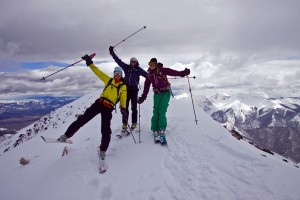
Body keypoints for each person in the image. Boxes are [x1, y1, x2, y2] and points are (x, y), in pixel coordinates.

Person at [57, 54, 127, 160]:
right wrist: (90, 62)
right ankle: (66, 136)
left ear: (121, 75)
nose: (117, 75)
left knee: (106, 131)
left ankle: (103, 151)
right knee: (82, 119)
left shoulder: (123, 86)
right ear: (114, 74)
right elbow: (98, 72)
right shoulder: (108, 80)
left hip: (108, 108)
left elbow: (123, 98)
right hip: (99, 103)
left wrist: (124, 108)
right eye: (116, 73)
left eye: (119, 74)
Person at [137, 58, 190, 139]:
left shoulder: (162, 70)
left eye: (153, 64)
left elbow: (173, 72)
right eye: (150, 64)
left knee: (162, 111)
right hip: (157, 94)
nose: (151, 66)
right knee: (156, 111)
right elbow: (146, 87)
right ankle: (154, 128)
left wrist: (182, 73)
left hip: (165, 93)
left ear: (156, 64)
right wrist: (143, 97)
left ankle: (161, 128)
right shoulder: (149, 75)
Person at [109, 46, 147, 130]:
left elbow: (147, 75)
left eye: (134, 62)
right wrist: (112, 53)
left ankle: (134, 123)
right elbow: (118, 61)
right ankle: (124, 123)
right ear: (130, 62)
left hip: (134, 90)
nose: (132, 63)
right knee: (124, 107)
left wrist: (154, 75)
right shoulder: (127, 67)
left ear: (136, 62)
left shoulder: (138, 69)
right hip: (126, 90)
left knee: (134, 107)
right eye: (131, 61)